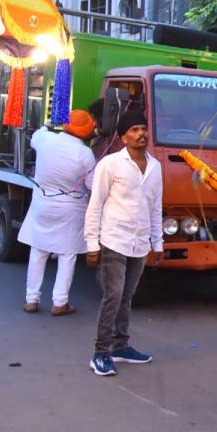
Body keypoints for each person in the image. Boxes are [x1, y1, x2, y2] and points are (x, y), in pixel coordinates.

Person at [83, 111, 162, 377]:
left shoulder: (155, 166)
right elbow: (96, 205)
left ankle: (121, 345)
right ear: (124, 136)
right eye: (135, 130)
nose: (141, 134)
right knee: (113, 296)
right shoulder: (110, 164)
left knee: (127, 297)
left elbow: (155, 207)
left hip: (139, 242)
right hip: (114, 239)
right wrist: (92, 244)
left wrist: (158, 242)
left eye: (144, 128)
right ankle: (100, 353)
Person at [18, 110, 96, 316]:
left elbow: (35, 136)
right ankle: (60, 302)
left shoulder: (46, 140)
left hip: (43, 205)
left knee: (38, 251)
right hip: (70, 209)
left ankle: (31, 300)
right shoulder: (85, 154)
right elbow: (91, 184)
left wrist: (47, 125)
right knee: (67, 254)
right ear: (87, 133)